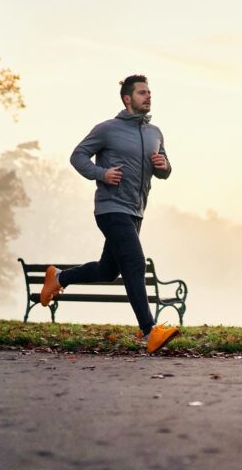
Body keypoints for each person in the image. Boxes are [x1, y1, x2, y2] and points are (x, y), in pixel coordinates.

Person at [39, 74, 179, 354]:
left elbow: (164, 170)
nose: (148, 96)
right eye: (142, 93)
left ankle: (59, 278)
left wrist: (163, 165)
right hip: (111, 208)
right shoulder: (107, 129)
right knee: (135, 263)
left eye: (149, 92)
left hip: (136, 210)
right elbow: (78, 156)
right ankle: (150, 331)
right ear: (128, 99)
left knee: (108, 269)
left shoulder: (155, 133)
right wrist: (101, 173)